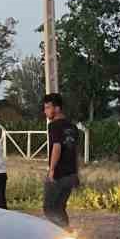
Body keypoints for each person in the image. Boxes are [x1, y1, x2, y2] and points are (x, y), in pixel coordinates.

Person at [41, 94, 79, 228]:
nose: (45, 111)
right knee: (60, 207)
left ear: (57, 108)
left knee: (49, 208)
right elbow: (73, 151)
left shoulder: (54, 125)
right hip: (71, 174)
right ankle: (65, 235)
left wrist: (52, 170)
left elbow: (56, 147)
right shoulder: (72, 127)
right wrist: (76, 173)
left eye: (47, 108)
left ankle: (62, 234)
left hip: (59, 173)